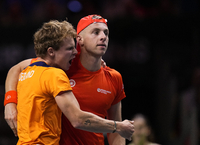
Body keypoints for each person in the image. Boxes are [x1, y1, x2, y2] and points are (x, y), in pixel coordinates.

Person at [4, 15, 130, 145]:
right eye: (95, 32)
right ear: (79, 39)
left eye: (106, 33)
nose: (103, 37)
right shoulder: (60, 64)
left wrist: (118, 127)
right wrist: (10, 103)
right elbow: (16, 69)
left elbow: (117, 130)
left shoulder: (114, 77)